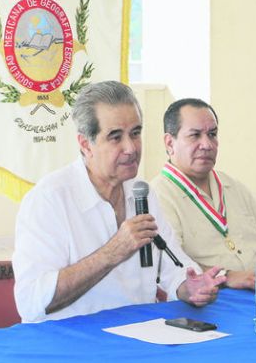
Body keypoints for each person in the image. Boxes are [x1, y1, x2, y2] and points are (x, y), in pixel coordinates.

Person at [13, 81, 225, 323]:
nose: (131, 148)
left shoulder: (141, 193)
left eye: (135, 133)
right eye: (116, 137)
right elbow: (30, 302)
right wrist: (112, 252)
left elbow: (173, 265)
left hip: (140, 334)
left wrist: (190, 286)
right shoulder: (49, 199)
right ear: (85, 144)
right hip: (72, 344)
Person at [150, 98, 256, 290]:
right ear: (170, 142)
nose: (207, 144)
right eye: (195, 135)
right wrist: (227, 276)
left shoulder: (231, 185)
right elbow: (172, 262)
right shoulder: (158, 195)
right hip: (213, 299)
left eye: (212, 134)